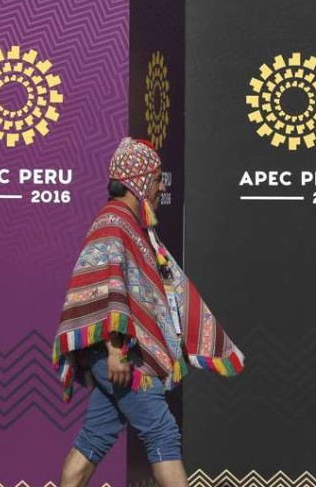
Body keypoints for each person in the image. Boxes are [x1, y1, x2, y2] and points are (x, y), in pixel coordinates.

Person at [53, 138, 244, 487]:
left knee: (93, 440)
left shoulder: (130, 225)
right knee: (163, 435)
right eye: (157, 179)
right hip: (121, 357)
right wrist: (114, 353)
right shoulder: (114, 224)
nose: (162, 187)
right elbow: (106, 291)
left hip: (123, 355)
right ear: (138, 181)